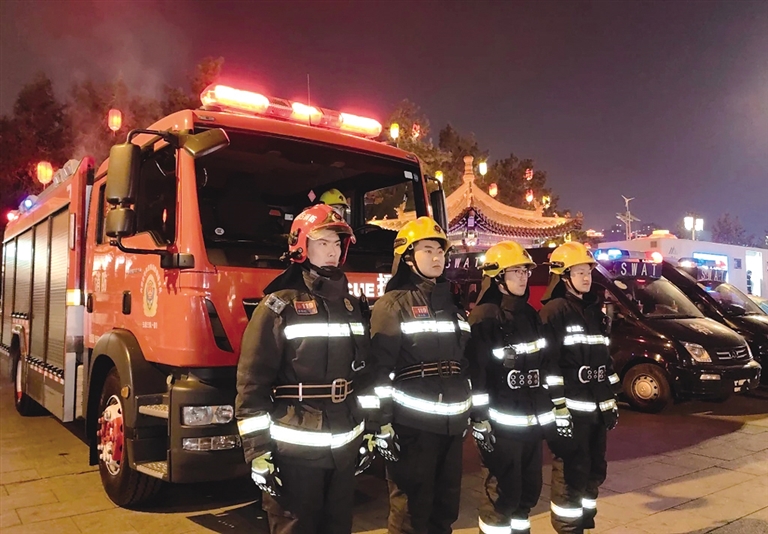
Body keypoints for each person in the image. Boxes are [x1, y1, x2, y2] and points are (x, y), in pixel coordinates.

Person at [235, 203, 376, 534]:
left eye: (337, 243)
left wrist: (369, 430)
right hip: (294, 451)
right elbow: (252, 384)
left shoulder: (352, 307)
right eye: (323, 242)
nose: (332, 251)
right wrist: (258, 451)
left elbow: (365, 378)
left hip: (344, 447)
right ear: (301, 246)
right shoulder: (278, 306)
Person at [369, 217, 473, 534]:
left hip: (452, 426)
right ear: (407, 257)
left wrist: (470, 412)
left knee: (445, 509)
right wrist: (381, 423)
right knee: (412, 512)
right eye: (427, 249)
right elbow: (377, 371)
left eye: (440, 251)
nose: (437, 257)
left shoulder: (453, 307)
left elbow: (464, 364)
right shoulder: (392, 305)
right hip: (412, 427)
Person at [467, 241, 572, 534]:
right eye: (516, 271)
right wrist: (479, 419)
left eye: (525, 271)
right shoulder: (484, 318)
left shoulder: (530, 315)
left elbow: (545, 366)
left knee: (528, 492)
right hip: (501, 428)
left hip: (532, 425)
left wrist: (555, 409)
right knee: (502, 495)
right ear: (497, 276)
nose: (523, 277)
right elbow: (477, 375)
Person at [539, 242, 621, 534]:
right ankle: (568, 528)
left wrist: (611, 401)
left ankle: (584, 525)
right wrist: (558, 409)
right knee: (571, 474)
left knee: (594, 471)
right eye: (579, 272)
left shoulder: (593, 311)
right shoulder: (553, 313)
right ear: (563, 277)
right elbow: (548, 365)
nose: (586, 278)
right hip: (572, 411)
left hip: (596, 409)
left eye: (588, 272)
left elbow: (605, 360)